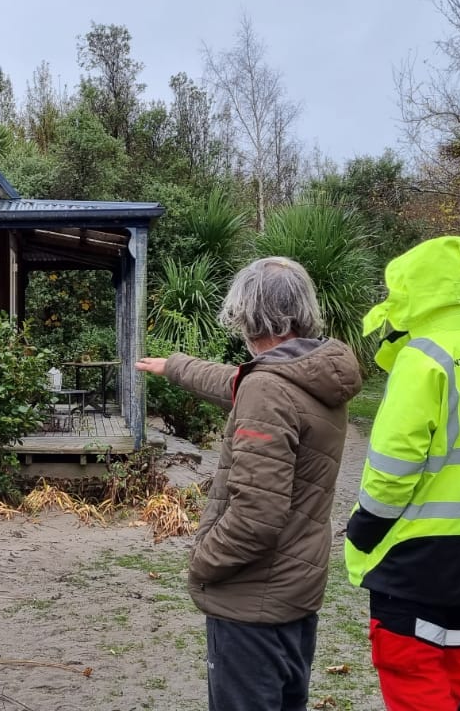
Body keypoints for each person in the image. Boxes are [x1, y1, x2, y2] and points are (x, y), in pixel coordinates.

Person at [137, 257, 361, 711]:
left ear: (250, 313)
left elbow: (257, 515)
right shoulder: (313, 375)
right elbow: (239, 381)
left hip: (251, 599)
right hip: (294, 589)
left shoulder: (270, 388)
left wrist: (203, 562)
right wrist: (176, 367)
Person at [343, 236, 460, 711]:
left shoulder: (423, 359)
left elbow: (392, 467)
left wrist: (365, 527)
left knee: (413, 679)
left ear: (411, 295)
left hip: (415, 556)